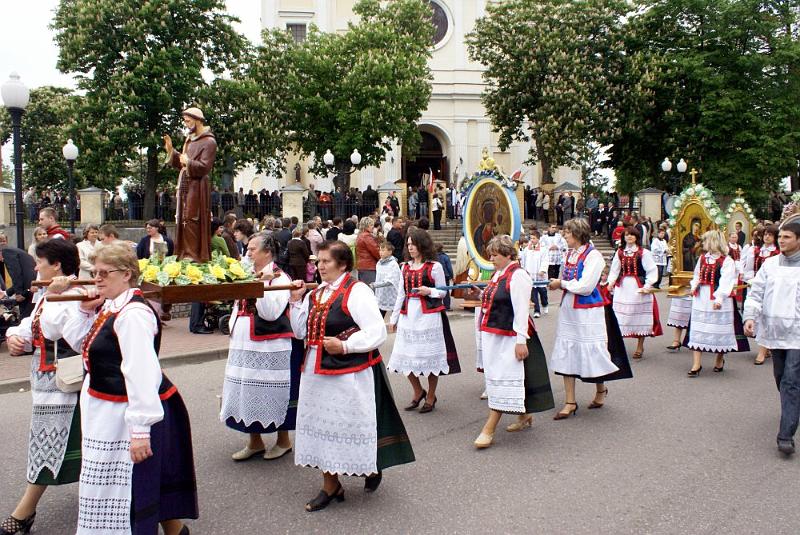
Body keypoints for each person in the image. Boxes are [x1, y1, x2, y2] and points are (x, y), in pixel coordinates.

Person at [62, 242, 197, 534]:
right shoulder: (111, 306)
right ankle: (175, 531)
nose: (96, 279)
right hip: (106, 409)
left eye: (103, 273)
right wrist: (83, 311)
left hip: (125, 410)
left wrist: (140, 431)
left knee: (127, 488)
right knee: (113, 484)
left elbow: (140, 373)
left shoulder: (133, 314)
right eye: (94, 272)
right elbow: (82, 345)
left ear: (126, 275)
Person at [288, 241, 414, 512]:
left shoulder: (356, 291)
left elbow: (377, 332)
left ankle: (370, 466)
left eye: (326, 262)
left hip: (347, 374)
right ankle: (331, 484)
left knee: (349, 426)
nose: (320, 267)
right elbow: (300, 332)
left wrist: (346, 345)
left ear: (342, 264)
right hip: (315, 372)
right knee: (322, 428)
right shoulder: (317, 293)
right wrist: (296, 301)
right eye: (318, 262)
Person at [1, 240, 82, 535]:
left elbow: (58, 331)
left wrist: (53, 296)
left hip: (68, 385)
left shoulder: (73, 293)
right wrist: (13, 336)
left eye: (40, 261)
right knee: (52, 444)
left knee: (49, 445)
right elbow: (30, 326)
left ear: (56, 265)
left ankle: (23, 513)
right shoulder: (51, 294)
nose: (35, 267)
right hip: (47, 382)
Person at [220, 233, 302, 461]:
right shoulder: (247, 273)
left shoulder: (280, 278)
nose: (248, 252)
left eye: (253, 248)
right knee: (247, 390)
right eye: (248, 248)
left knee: (274, 392)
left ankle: (283, 440)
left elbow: (270, 312)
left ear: (267, 252)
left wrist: (262, 283)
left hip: (269, 343)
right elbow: (238, 304)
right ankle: (254, 441)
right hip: (244, 342)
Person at [472, 236, 554, 449]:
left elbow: (520, 311)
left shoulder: (518, 276)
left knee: (504, 378)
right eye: (490, 254)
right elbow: (497, 299)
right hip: (494, 335)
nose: (491, 259)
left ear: (509, 254)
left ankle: (489, 429)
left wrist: (521, 341)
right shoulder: (499, 273)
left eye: (495, 255)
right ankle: (525, 416)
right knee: (503, 377)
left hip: (508, 335)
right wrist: (481, 294)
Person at [548, 218, 619, 419]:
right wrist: (562, 283)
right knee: (567, 351)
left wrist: (561, 283)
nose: (565, 236)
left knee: (593, 352)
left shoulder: (593, 256)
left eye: (568, 232)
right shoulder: (570, 254)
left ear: (578, 233)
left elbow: (586, 286)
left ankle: (600, 390)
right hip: (569, 309)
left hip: (588, 312)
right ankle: (570, 401)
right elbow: (570, 281)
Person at [387, 228, 460, 413]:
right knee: (405, 357)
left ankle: (430, 395)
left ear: (422, 244)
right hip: (408, 315)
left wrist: (430, 291)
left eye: (414, 244)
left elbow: (444, 291)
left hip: (428, 315)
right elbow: (401, 294)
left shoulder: (434, 266)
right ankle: (418, 391)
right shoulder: (404, 266)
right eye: (408, 244)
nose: (410, 248)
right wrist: (394, 318)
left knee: (428, 359)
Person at [743, 221, 800, 454]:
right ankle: (792, 405)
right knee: (780, 376)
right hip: (775, 332)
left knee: (791, 379)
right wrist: (750, 316)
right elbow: (756, 292)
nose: (781, 240)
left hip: (797, 332)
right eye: (781, 236)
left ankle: (785, 435)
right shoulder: (769, 264)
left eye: (787, 237)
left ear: (798, 240)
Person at [685, 230, 749, 376]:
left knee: (719, 330)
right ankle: (696, 364)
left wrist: (719, 298)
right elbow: (696, 275)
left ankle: (719, 359)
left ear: (713, 242)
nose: (703, 243)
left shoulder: (726, 261)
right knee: (698, 328)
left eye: (705, 240)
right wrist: (693, 287)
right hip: (701, 298)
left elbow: (727, 281)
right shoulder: (702, 258)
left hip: (717, 298)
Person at [164, 107, 216, 262]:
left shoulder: (209, 141)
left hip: (197, 185)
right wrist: (171, 152)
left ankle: (193, 255)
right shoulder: (190, 140)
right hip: (186, 183)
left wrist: (189, 162)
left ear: (197, 120)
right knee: (183, 218)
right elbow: (182, 163)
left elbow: (205, 167)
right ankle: (184, 252)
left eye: (188, 121)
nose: (186, 124)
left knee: (192, 218)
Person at [607, 227, 662, 359]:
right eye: (627, 235)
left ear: (636, 237)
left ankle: (640, 345)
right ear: (624, 237)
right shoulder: (620, 252)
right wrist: (610, 282)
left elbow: (651, 270)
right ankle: (618, 347)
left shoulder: (643, 252)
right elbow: (615, 269)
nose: (629, 237)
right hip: (623, 287)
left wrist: (648, 285)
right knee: (621, 317)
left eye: (632, 235)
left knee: (639, 316)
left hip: (638, 287)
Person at [748, 225, 781, 365]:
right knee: (759, 317)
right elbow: (749, 268)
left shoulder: (778, 254)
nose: (767, 237)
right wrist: (749, 280)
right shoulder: (756, 250)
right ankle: (765, 348)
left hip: (772, 289)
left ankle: (762, 351)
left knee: (768, 318)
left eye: (770, 235)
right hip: (758, 285)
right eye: (765, 234)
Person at [0, 244, 37, 319]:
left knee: (25, 318)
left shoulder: (6, 252)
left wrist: (19, 293)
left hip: (27, 289)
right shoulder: (15, 251)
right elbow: (20, 277)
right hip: (30, 287)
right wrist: (6, 293)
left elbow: (16, 274)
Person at [522, 229, 549, 318]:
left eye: (533, 238)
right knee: (533, 294)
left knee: (543, 293)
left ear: (538, 239)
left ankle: (545, 304)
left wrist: (543, 270)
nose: (532, 240)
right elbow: (523, 260)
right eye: (531, 238)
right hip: (531, 275)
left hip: (540, 275)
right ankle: (536, 310)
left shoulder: (543, 249)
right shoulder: (526, 249)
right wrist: (524, 270)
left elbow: (545, 260)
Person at [374, 239, 402, 318]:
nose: (380, 252)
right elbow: (378, 278)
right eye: (380, 250)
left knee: (396, 317)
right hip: (381, 294)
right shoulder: (379, 263)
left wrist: (375, 285)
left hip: (392, 294)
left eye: (383, 250)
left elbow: (390, 280)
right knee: (378, 317)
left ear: (390, 252)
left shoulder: (393, 264)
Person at [355, 216, 381, 284]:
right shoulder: (366, 236)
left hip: (362, 266)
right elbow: (376, 251)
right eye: (371, 225)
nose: (373, 226)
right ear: (366, 226)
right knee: (371, 290)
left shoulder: (360, 235)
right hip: (369, 267)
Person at [435, 243, 454, 311]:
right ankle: (447, 306)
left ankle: (436, 305)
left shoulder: (433, 257)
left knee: (436, 290)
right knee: (446, 290)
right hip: (445, 275)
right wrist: (452, 276)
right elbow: (449, 267)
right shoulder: (445, 257)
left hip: (435, 276)